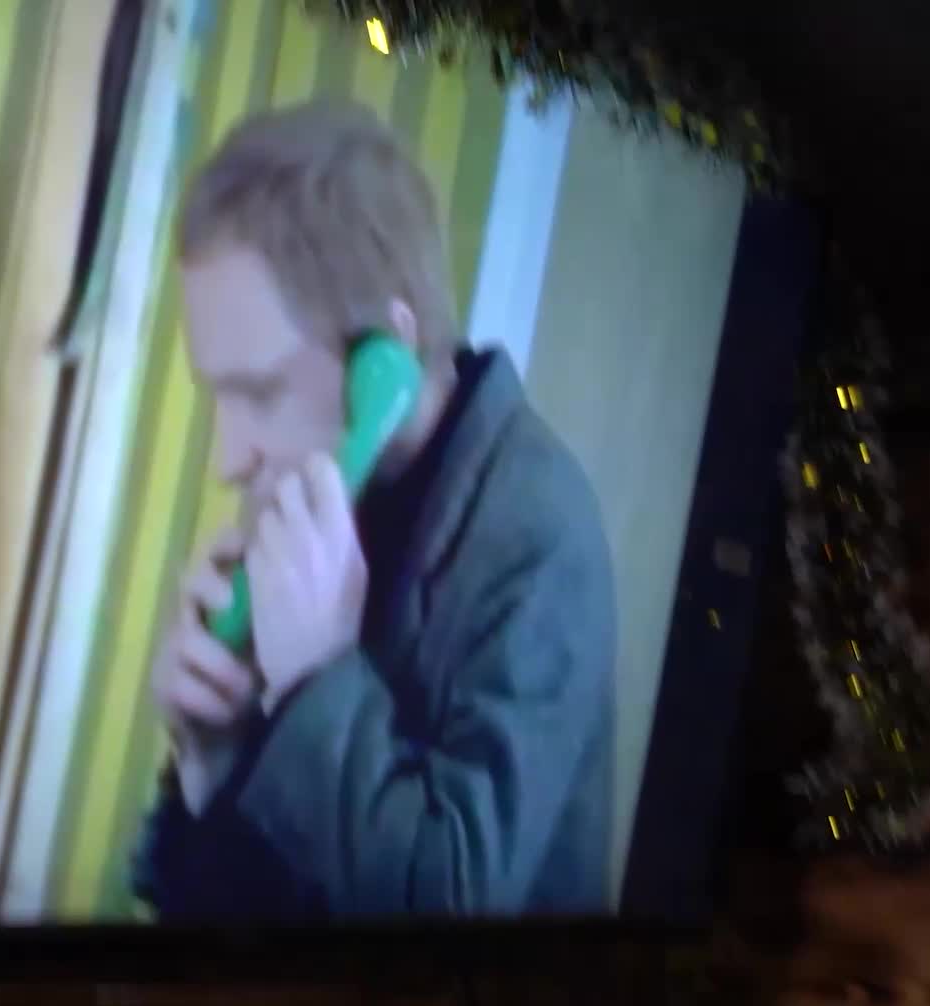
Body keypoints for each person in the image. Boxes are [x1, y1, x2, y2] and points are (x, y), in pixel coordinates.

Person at [132, 101, 616, 921]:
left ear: (386, 354)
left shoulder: (541, 538)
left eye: (260, 392)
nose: (229, 460)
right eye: (220, 397)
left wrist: (315, 679)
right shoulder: (319, 486)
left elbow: (453, 900)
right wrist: (214, 768)